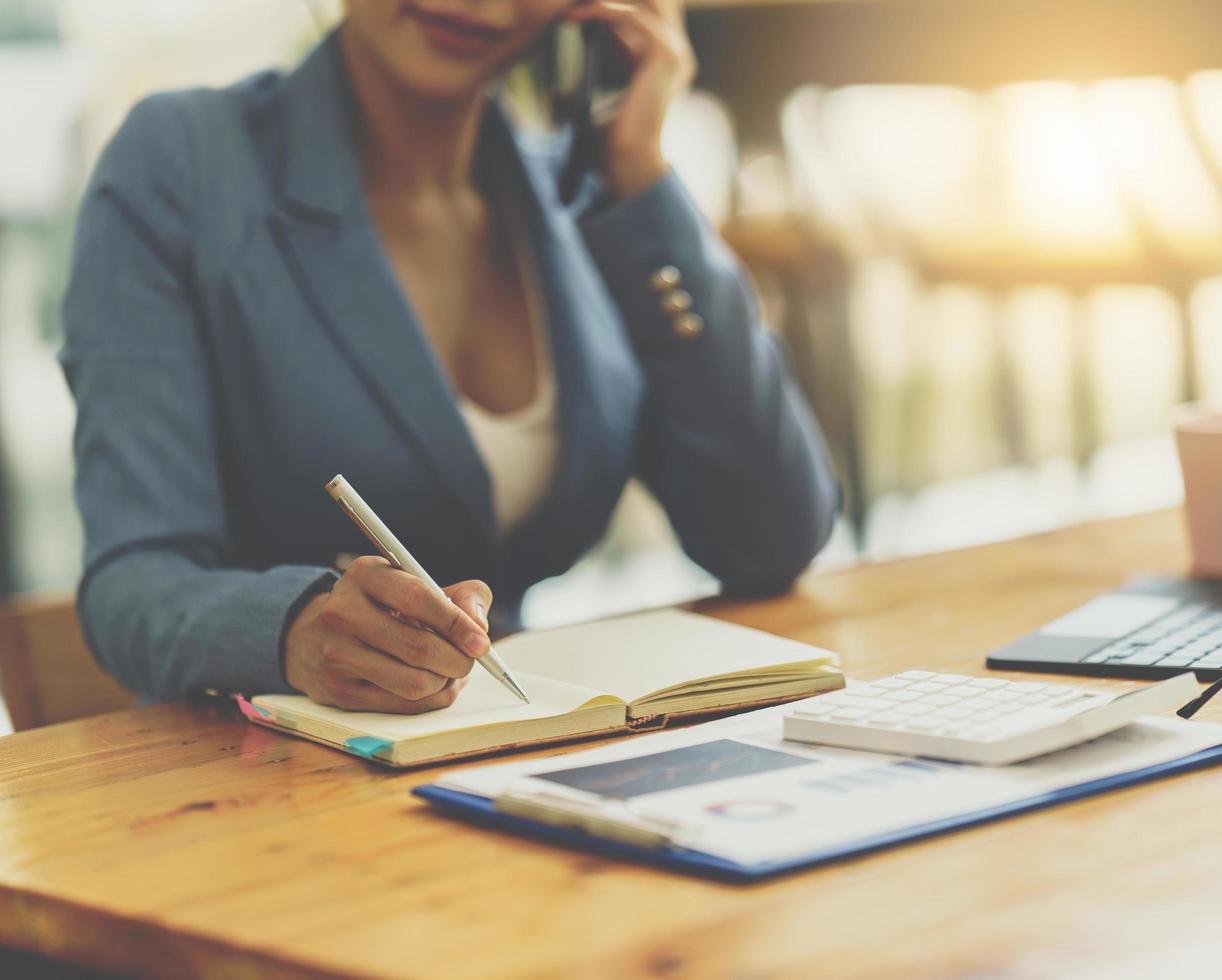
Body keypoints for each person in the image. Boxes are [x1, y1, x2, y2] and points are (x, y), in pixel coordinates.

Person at [61, 0, 838, 714]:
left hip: (514, 749)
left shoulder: (577, 199)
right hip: (260, 784)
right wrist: (293, 629)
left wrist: (638, 175)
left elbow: (771, 537)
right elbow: (134, 580)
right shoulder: (183, 166)